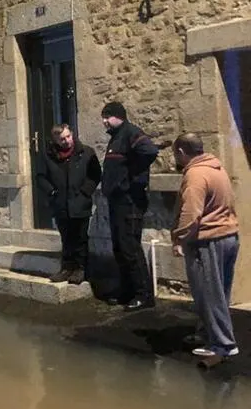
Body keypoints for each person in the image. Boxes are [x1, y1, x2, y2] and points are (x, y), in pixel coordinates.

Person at [171, 133, 240, 360]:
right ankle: (209, 334)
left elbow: (191, 211)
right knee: (219, 292)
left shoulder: (195, 174)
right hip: (228, 236)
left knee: (208, 293)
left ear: (181, 152)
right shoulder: (216, 168)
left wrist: (179, 238)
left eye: (176, 154)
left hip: (208, 240)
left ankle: (223, 344)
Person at [100, 101, 160, 310]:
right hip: (117, 201)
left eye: (107, 116)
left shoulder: (131, 133)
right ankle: (127, 290)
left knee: (130, 248)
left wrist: (129, 179)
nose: (104, 121)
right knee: (119, 248)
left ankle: (144, 295)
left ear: (119, 116)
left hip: (130, 201)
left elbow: (150, 151)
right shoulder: (116, 137)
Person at [35, 123, 101, 284]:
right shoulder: (48, 155)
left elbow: (95, 174)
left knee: (80, 237)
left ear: (72, 134)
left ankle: (81, 269)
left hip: (80, 202)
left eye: (68, 137)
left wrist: (85, 192)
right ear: (55, 140)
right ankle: (66, 268)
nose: (66, 141)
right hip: (60, 203)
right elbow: (40, 177)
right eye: (62, 139)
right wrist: (52, 192)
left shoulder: (86, 152)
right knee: (66, 238)